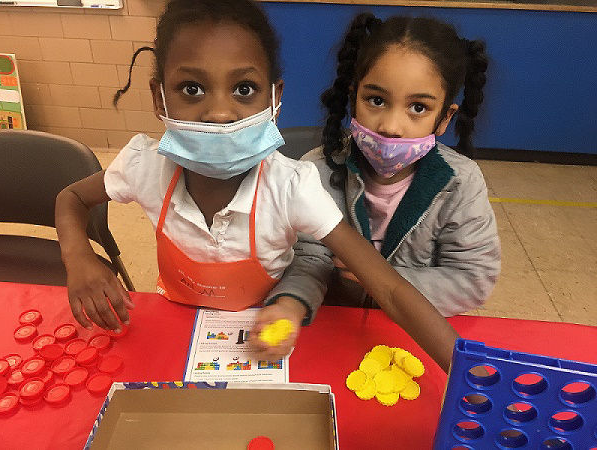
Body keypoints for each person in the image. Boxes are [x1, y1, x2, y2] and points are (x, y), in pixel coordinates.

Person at [55, 0, 458, 371]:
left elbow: (388, 289)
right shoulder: (145, 167)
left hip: (264, 337)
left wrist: (469, 372)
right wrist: (79, 257)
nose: (219, 113)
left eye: (244, 90)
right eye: (191, 89)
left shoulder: (292, 187)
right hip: (176, 328)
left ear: (273, 98)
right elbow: (70, 198)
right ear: (159, 99)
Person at [293, 14, 501, 316]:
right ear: (354, 99)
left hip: (412, 330)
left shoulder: (462, 182)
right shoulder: (315, 171)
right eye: (376, 100)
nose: (391, 126)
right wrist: (293, 302)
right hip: (334, 324)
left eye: (418, 107)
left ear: (444, 118)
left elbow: (473, 278)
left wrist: (384, 282)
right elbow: (305, 259)